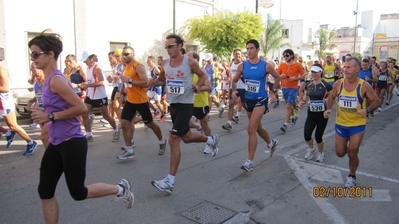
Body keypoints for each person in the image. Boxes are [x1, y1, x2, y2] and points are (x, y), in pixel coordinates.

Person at [28, 31, 134, 224]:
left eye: (36, 54)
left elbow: (80, 109)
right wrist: (36, 106)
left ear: (50, 54)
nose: (33, 59)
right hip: (57, 143)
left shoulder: (57, 80)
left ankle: (121, 189)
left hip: (72, 143)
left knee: (78, 192)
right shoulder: (47, 79)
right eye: (31, 55)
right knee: (45, 190)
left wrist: (50, 116)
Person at [149, 34, 219, 194]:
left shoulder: (190, 62)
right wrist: (154, 82)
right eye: (166, 47)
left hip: (186, 105)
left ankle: (169, 181)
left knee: (174, 140)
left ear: (180, 46)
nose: (168, 49)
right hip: (173, 105)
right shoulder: (165, 64)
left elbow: (204, 76)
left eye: (171, 46)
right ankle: (210, 139)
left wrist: (198, 86)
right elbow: (162, 80)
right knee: (187, 138)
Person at [324, 56, 381, 188]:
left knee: (352, 152)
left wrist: (367, 110)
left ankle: (352, 176)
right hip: (341, 124)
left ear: (357, 69)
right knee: (340, 152)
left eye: (349, 67)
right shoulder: (339, 83)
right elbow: (332, 97)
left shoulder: (364, 86)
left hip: (357, 125)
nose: (345, 70)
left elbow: (377, 101)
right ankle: (351, 157)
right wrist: (328, 109)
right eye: (344, 67)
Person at [231, 39, 280, 172]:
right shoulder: (243, 66)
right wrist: (234, 91)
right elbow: (234, 80)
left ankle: (249, 161)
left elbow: (278, 77)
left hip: (261, 99)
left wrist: (274, 93)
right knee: (258, 128)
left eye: (252, 48)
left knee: (251, 128)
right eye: (247, 48)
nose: (249, 51)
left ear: (258, 50)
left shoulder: (266, 65)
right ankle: (271, 143)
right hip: (248, 100)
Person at [115, 46, 167, 159]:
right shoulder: (125, 67)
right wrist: (120, 92)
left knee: (150, 124)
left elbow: (145, 83)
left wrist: (130, 80)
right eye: (123, 54)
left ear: (132, 55)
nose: (124, 56)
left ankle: (162, 141)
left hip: (141, 101)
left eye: (126, 54)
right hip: (130, 100)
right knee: (124, 123)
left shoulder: (138, 66)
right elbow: (124, 83)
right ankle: (129, 150)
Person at [80, 54, 120, 142]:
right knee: (84, 114)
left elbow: (102, 82)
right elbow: (90, 81)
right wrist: (85, 84)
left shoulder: (97, 67)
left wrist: (88, 85)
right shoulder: (88, 68)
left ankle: (116, 129)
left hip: (100, 96)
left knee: (106, 116)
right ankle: (89, 134)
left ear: (91, 59)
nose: (84, 62)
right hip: (90, 95)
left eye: (86, 60)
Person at [0, 64, 38, 155]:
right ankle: (8, 133)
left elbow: (5, 88)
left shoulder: (2, 71)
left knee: (13, 126)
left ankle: (31, 142)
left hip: (4, 102)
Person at [300, 64, 333, 162]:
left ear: (320, 72)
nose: (313, 74)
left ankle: (320, 153)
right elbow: (306, 95)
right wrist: (303, 101)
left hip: (322, 114)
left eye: (315, 72)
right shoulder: (309, 84)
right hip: (311, 114)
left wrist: (327, 100)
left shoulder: (326, 85)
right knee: (307, 135)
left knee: (318, 136)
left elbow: (332, 96)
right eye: (312, 72)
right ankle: (311, 148)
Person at [186, 51, 214, 154]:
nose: (186, 59)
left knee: (205, 124)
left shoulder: (201, 72)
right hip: (188, 103)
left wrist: (197, 87)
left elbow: (208, 87)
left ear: (195, 60)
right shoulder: (186, 72)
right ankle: (198, 127)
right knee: (183, 122)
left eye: (189, 58)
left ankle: (210, 144)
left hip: (200, 103)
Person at [277, 49, 305, 133]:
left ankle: (285, 124)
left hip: (293, 88)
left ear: (292, 56)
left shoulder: (297, 65)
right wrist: (282, 76)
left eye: (287, 55)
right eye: (284, 56)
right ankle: (294, 114)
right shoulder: (282, 65)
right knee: (290, 103)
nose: (285, 57)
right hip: (285, 88)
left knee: (288, 105)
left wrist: (296, 78)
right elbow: (277, 75)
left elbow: (303, 76)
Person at [27, 63, 49, 149]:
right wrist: (32, 100)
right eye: (31, 68)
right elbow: (38, 95)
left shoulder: (48, 81)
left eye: (34, 68)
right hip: (40, 112)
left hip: (49, 112)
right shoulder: (36, 82)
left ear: (40, 68)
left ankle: (50, 157)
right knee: (49, 137)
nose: (32, 70)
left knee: (44, 137)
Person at [222, 48, 244, 131]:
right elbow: (231, 75)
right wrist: (230, 85)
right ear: (233, 55)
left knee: (243, 103)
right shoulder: (232, 64)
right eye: (236, 54)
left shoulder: (243, 64)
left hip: (242, 87)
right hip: (233, 87)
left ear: (241, 55)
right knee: (230, 104)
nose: (237, 55)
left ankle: (239, 114)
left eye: (238, 54)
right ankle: (229, 123)